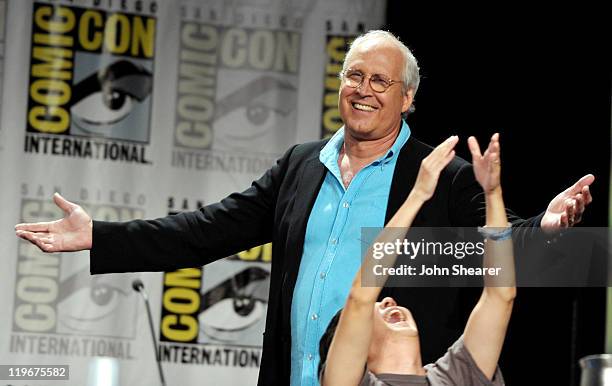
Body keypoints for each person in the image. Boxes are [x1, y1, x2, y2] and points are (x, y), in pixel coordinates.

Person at [15, 30, 593, 386]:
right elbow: (207, 229)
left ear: (408, 98)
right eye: (354, 75)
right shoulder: (300, 165)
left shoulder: (439, 175)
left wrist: (543, 225)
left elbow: (498, 261)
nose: (364, 89)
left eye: (381, 82)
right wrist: (101, 236)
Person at [319, 134, 512, 386]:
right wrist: (418, 194)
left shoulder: (455, 376)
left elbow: (501, 294)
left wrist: (493, 193)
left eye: (381, 302)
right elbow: (359, 298)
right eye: (373, 309)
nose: (388, 300)